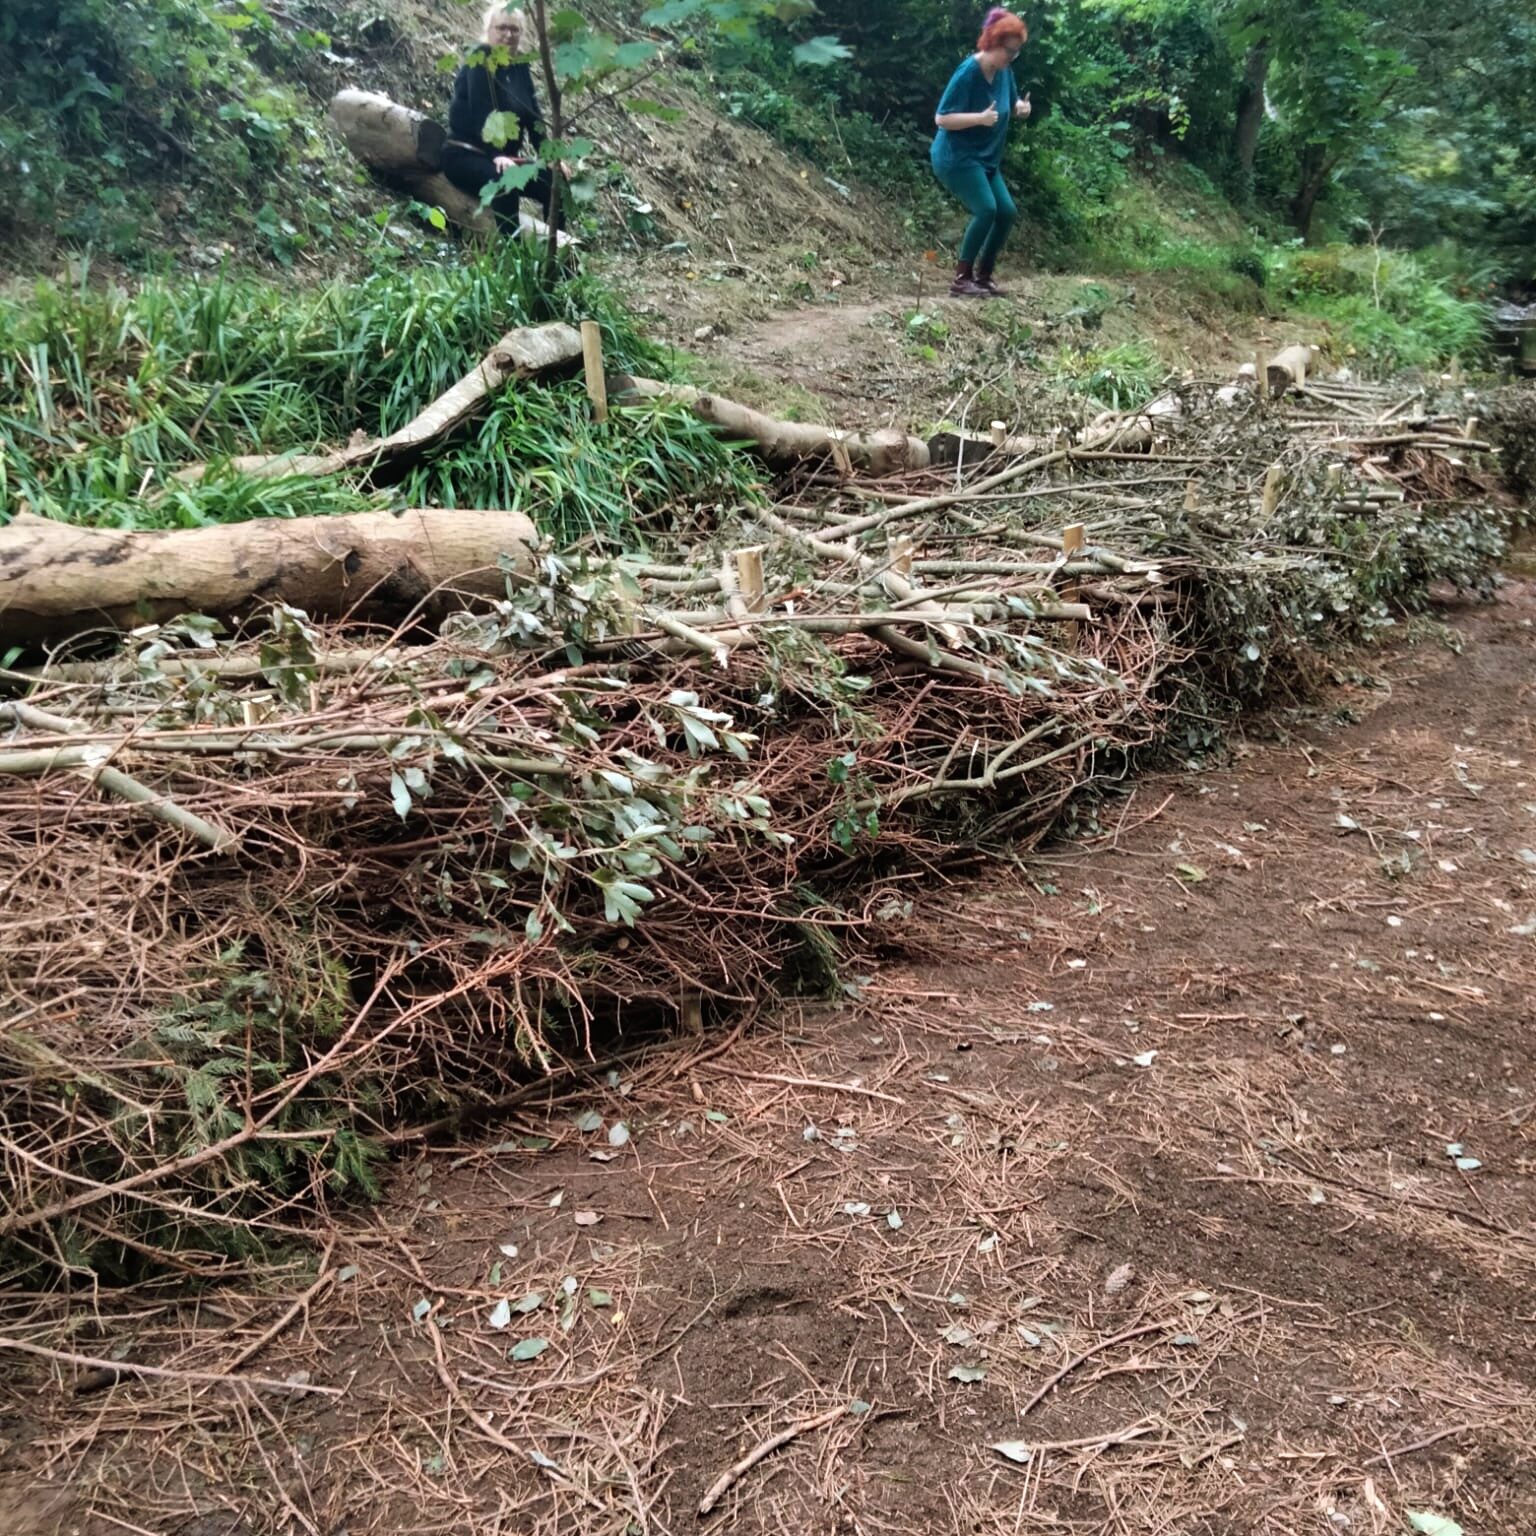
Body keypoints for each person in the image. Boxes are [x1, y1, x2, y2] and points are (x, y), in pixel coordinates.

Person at [930, 8, 1033, 298]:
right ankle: (962, 279)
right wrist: (978, 118)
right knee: (987, 209)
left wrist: (1021, 109)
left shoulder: (1004, 72)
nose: (1012, 57)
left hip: (987, 159)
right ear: (992, 43)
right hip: (956, 157)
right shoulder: (968, 73)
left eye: (1016, 52)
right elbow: (942, 118)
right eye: (1009, 51)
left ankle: (984, 276)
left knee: (1006, 212)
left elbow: (1011, 104)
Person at [442, 5, 552, 233]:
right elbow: (481, 110)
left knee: (553, 181)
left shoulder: (520, 66)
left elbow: (533, 116)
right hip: (465, 154)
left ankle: (558, 252)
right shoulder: (481, 58)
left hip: (505, 158)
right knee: (507, 179)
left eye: (515, 29)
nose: (508, 35)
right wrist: (496, 154)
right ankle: (512, 254)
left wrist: (550, 156)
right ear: (489, 29)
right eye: (502, 28)